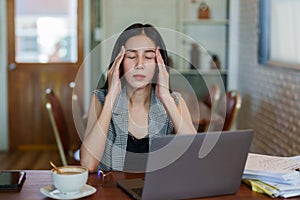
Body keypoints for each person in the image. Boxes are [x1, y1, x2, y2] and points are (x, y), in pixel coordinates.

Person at [80, 23, 196, 172]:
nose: (139, 64)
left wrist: (165, 97)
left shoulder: (175, 101)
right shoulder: (101, 99)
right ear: (119, 62)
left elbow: (195, 153)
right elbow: (87, 165)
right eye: (131, 56)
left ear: (159, 64)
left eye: (148, 57)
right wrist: (111, 97)